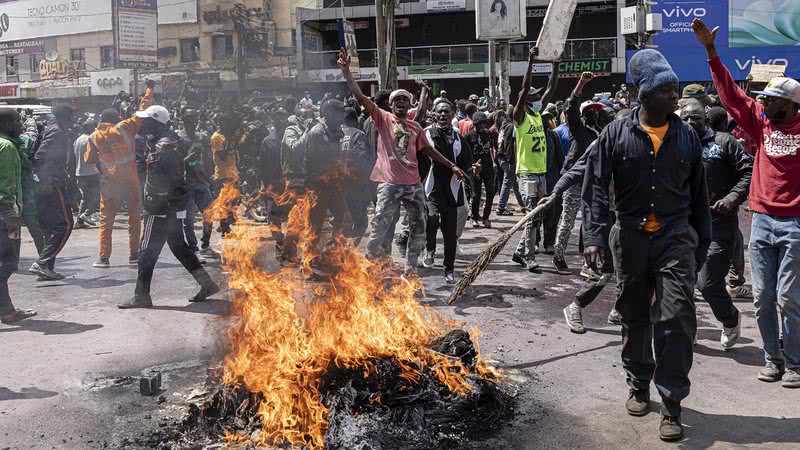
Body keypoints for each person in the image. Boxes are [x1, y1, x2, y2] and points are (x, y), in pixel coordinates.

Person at [583, 49, 711, 441]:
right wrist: (593, 237)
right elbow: (596, 190)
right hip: (631, 237)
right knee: (634, 314)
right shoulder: (615, 133)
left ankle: (672, 402)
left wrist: (699, 243)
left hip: (674, 238)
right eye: (667, 90)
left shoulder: (687, 134)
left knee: (676, 318)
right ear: (645, 94)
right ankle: (639, 381)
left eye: (676, 90)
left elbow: (699, 194)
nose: (676, 97)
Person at [693, 19, 800, 387]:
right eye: (765, 99)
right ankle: (773, 360)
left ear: (790, 104)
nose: (764, 103)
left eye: (772, 100)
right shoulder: (760, 125)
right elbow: (731, 96)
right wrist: (711, 52)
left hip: (795, 224)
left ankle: (795, 363)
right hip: (762, 221)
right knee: (763, 297)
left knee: (788, 297)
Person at [337, 48, 466, 273]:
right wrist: (347, 73)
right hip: (390, 183)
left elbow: (429, 152)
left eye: (405, 100)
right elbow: (360, 97)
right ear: (391, 104)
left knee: (419, 226)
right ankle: (372, 264)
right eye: (397, 100)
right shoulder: (383, 118)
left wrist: (452, 165)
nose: (401, 103)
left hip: (413, 185)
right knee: (381, 224)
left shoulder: (416, 127)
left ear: (409, 105)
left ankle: (411, 268)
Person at [119, 105, 219, 309]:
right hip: (173, 205)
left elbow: (163, 180)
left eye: (147, 120)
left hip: (159, 206)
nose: (142, 123)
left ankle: (141, 296)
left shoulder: (163, 147)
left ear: (156, 124)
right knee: (179, 247)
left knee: (146, 250)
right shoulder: (172, 141)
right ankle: (206, 283)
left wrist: (154, 203)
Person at [679, 99, 752, 348]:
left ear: (705, 119)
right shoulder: (675, 145)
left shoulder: (725, 142)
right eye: (685, 118)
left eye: (695, 117)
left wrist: (732, 197)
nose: (690, 122)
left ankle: (730, 319)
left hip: (719, 226)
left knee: (708, 284)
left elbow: (748, 171)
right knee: (682, 283)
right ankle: (687, 331)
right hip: (684, 227)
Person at [85, 84, 154, 268]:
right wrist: (148, 91)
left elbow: (89, 160)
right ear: (117, 119)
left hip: (109, 183)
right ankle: (134, 255)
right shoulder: (124, 128)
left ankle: (103, 258)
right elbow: (142, 111)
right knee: (134, 217)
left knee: (106, 220)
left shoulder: (93, 136)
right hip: (130, 181)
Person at [511, 46, 560, 272]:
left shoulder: (539, 116)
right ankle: (529, 257)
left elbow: (551, 88)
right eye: (536, 97)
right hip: (527, 174)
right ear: (527, 100)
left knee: (538, 218)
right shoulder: (520, 118)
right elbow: (523, 89)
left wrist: (556, 65)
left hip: (540, 173)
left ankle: (519, 252)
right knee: (532, 217)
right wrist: (530, 60)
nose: (541, 99)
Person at [552, 72, 603, 274]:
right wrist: (581, 83)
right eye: (589, 111)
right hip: (573, 182)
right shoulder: (578, 130)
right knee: (568, 221)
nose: (594, 113)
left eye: (596, 111)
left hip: (591, 183)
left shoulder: (600, 132)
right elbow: (571, 107)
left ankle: (587, 263)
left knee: (589, 223)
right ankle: (558, 256)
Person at [422, 100, 474, 283]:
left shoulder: (459, 137)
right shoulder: (426, 134)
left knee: (450, 233)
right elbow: (422, 158)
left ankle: (449, 269)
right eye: (439, 112)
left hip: (453, 190)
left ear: (453, 114)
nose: (443, 115)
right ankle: (429, 249)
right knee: (432, 218)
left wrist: (471, 169)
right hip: (431, 188)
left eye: (446, 112)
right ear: (434, 114)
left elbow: (466, 161)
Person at [29, 104, 76, 281]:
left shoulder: (50, 129)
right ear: (65, 117)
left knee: (51, 227)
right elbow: (40, 156)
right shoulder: (56, 132)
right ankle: (42, 263)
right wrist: (46, 180)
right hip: (52, 183)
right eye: (71, 116)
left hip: (43, 184)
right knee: (65, 225)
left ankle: (47, 269)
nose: (72, 119)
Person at [0, 109, 36, 324]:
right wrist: (11, 215)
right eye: (16, 121)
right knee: (10, 262)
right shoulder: (7, 147)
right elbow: (5, 184)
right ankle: (5, 310)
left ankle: (6, 310)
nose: (20, 124)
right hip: (5, 215)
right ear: (5, 124)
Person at [178, 109, 216, 260]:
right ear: (184, 120)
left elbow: (207, 159)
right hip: (187, 184)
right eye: (189, 119)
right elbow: (176, 163)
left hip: (202, 183)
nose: (193, 122)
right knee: (188, 219)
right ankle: (193, 249)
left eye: (195, 118)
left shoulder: (202, 137)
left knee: (209, 214)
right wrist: (188, 159)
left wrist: (210, 176)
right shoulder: (179, 138)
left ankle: (205, 245)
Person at [341, 107, 373, 241]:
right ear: (354, 120)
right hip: (355, 184)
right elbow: (362, 159)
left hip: (338, 183)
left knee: (342, 219)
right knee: (360, 221)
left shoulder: (335, 133)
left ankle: (339, 252)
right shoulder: (358, 134)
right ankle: (351, 252)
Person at [464, 112, 495, 228]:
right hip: (475, 169)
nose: (482, 127)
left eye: (484, 124)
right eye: (480, 124)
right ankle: (474, 217)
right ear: (475, 124)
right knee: (475, 195)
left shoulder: (488, 134)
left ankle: (486, 217)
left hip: (488, 168)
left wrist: (494, 161)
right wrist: (471, 166)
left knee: (490, 192)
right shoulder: (468, 136)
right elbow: (465, 154)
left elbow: (492, 148)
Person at [210, 115, 239, 236]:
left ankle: (225, 224)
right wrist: (230, 140)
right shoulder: (217, 137)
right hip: (223, 175)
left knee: (232, 202)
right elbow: (222, 156)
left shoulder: (228, 137)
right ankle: (224, 228)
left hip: (232, 174)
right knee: (224, 204)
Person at [72, 119, 100, 229]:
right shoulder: (90, 139)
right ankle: (86, 214)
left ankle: (79, 221)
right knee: (97, 195)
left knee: (85, 197)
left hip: (79, 172)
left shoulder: (77, 140)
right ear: (89, 128)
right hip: (91, 172)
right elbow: (96, 155)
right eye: (93, 127)